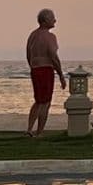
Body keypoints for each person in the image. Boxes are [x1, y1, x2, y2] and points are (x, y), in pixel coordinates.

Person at [26, 9, 64, 137]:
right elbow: (53, 56)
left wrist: (33, 66)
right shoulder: (49, 37)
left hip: (35, 69)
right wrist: (61, 74)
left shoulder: (33, 35)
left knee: (38, 101)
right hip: (45, 69)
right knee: (45, 102)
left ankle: (29, 129)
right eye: (52, 18)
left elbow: (28, 55)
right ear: (45, 20)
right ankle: (39, 132)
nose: (55, 20)